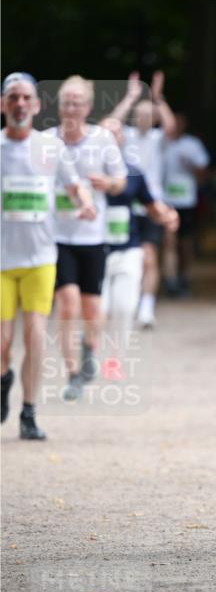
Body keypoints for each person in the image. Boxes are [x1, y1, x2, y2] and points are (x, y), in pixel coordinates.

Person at [1, 73, 94, 438]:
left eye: (26, 97)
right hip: (4, 262)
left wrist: (85, 204)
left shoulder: (50, 149)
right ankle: (5, 376)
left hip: (40, 258)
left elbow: (74, 186)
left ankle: (28, 412)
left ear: (37, 106)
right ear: (4, 105)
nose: (20, 103)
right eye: (13, 98)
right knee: (4, 344)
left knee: (36, 335)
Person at [46, 76, 127, 402]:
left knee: (93, 309)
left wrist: (107, 183)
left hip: (93, 236)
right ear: (59, 104)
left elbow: (121, 181)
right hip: (56, 235)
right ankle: (72, 373)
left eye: (78, 101)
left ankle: (89, 347)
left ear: (88, 106)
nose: (71, 107)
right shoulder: (47, 141)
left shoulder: (103, 139)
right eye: (66, 101)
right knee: (67, 304)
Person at [98, 118, 179, 364]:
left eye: (117, 133)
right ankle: (89, 352)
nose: (112, 138)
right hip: (94, 250)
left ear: (123, 139)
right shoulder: (85, 170)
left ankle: (115, 359)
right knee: (99, 310)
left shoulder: (133, 172)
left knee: (124, 306)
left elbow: (151, 205)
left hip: (128, 246)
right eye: (106, 134)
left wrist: (167, 215)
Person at [106, 71, 176, 327]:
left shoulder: (158, 139)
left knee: (149, 256)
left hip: (151, 203)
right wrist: (130, 97)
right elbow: (110, 124)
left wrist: (158, 99)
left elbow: (170, 126)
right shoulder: (125, 136)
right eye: (141, 114)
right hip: (125, 202)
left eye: (149, 115)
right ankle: (122, 301)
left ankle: (146, 308)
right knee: (121, 255)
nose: (144, 118)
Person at [161, 112, 210, 297]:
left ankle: (184, 276)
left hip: (187, 201)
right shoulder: (162, 142)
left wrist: (189, 165)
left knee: (185, 243)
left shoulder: (192, 144)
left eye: (178, 123)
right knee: (169, 240)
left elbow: (204, 172)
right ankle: (170, 280)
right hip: (166, 201)